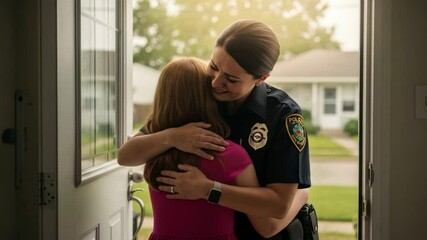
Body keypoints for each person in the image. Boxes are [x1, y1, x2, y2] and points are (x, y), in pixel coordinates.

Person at [119, 19, 311, 239]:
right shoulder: (201, 96)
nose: (215, 83)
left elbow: (278, 206)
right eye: (213, 66)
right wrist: (171, 136)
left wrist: (208, 189)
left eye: (231, 79)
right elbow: (127, 155)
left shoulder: (283, 115)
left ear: (261, 78)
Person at [127, 56, 277, 240]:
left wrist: (169, 137)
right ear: (209, 95)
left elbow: (124, 156)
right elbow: (266, 224)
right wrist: (300, 194)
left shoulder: (153, 150)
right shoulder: (231, 156)